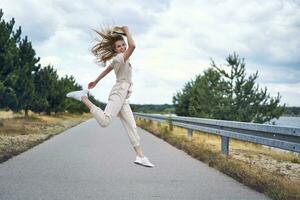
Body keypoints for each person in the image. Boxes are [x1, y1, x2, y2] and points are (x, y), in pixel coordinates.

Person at [66, 26, 155, 168]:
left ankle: (140, 156)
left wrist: (96, 80)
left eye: (123, 45)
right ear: (115, 49)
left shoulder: (119, 59)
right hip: (119, 92)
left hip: (123, 97)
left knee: (132, 126)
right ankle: (83, 98)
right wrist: (126, 30)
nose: (122, 47)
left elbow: (108, 69)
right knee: (105, 121)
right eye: (119, 46)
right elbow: (133, 45)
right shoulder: (121, 57)